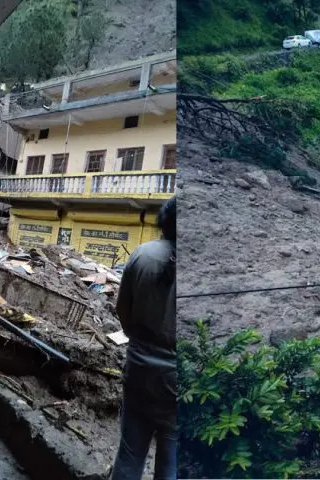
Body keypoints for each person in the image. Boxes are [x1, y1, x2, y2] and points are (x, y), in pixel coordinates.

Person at [112, 196, 177, 480]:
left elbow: (122, 311)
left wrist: (138, 340)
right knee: (171, 461)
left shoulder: (142, 254)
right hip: (177, 381)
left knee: (130, 453)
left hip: (139, 368)